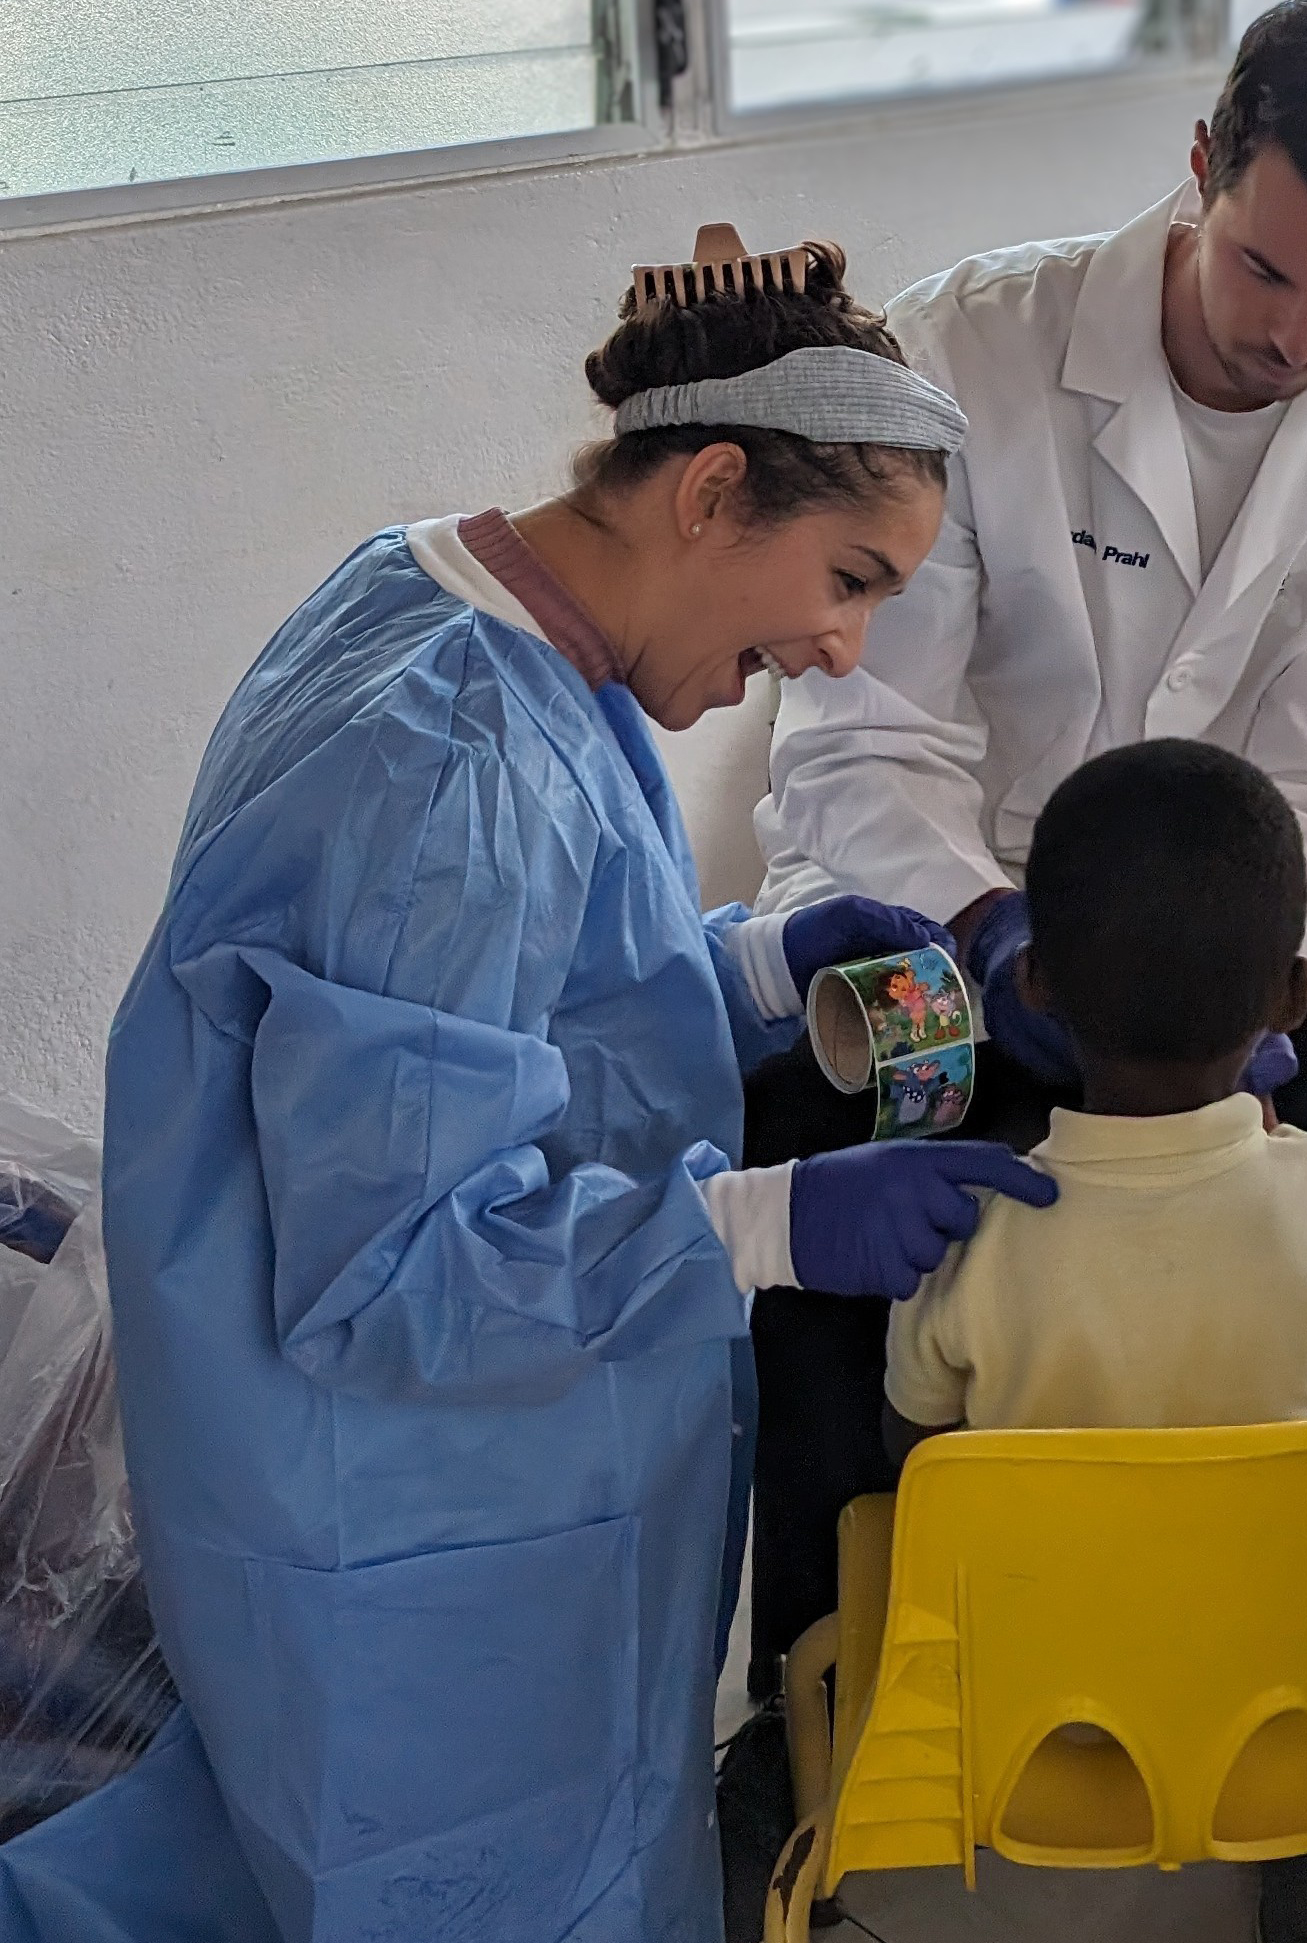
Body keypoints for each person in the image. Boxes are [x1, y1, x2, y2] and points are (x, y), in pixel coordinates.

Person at [0, 240, 1056, 1942]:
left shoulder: (452, 613)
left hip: (459, 1480)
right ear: (710, 490)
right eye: (847, 578)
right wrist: (768, 1225)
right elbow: (394, 1262)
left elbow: (509, 996)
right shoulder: (450, 757)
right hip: (416, 1522)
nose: (841, 649)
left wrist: (752, 966)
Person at [741, 0, 1307, 1688]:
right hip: (957, 913)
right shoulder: (963, 361)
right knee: (812, 1135)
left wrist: (1275, 990)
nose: (1299, 338)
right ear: (1199, 167)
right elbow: (869, 731)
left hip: (1224, 946)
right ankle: (822, 1682)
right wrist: (992, 931)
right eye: (1264, 270)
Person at [883, 739, 1307, 1943]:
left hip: (1044, 1698)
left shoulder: (967, 1233)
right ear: (1288, 996)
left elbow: (912, 1445)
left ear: (1032, 982)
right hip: (1290, 1682)